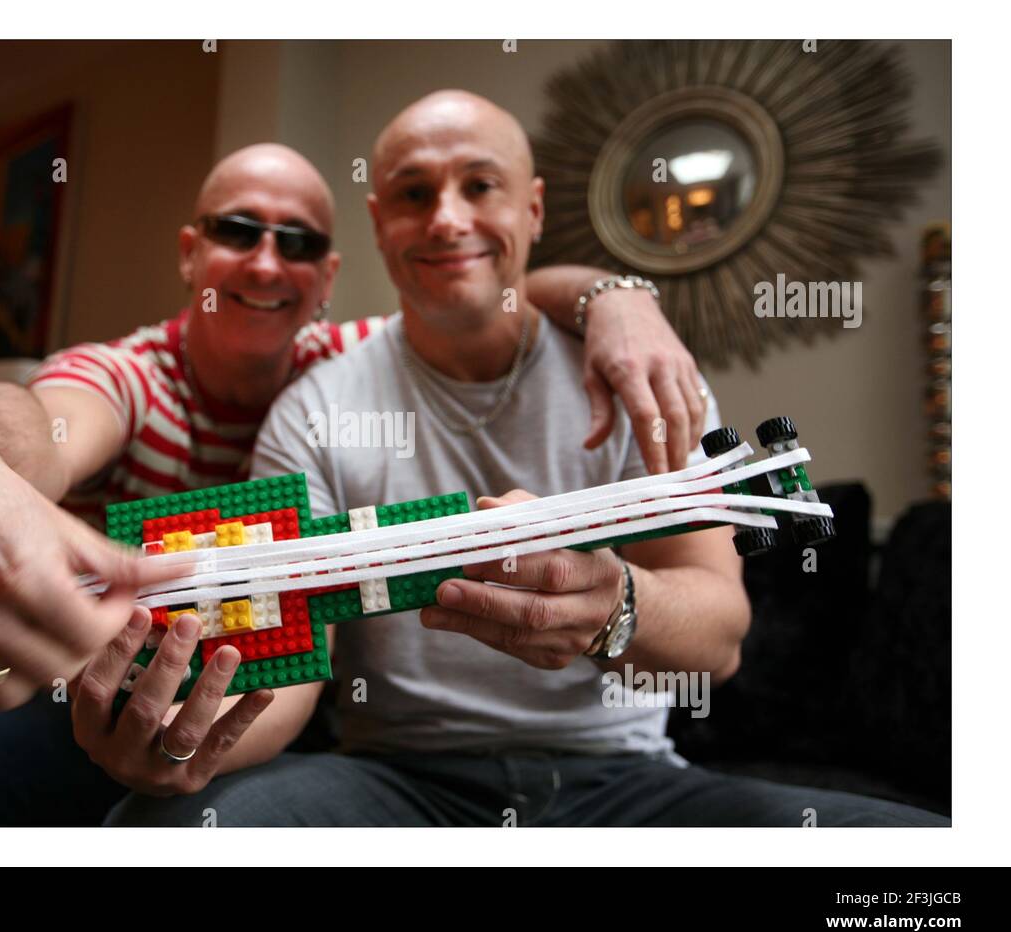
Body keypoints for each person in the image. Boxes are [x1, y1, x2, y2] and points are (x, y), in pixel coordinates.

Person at [99, 91, 947, 826]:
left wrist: (618, 604)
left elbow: (719, 637)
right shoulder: (313, 409)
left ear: (534, 209)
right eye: (413, 193)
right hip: (396, 783)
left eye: (481, 185)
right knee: (156, 830)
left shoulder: (642, 378)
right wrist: (190, 736)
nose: (447, 218)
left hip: (629, 784)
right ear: (377, 226)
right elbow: (290, 669)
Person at [0, 141, 704, 825]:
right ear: (189, 252)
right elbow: (40, 422)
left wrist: (617, 295)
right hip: (98, 695)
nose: (267, 262)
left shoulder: (348, 366)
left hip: (271, 711)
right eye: (239, 230)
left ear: (326, 279)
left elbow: (486, 287)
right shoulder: (131, 377)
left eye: (300, 243)